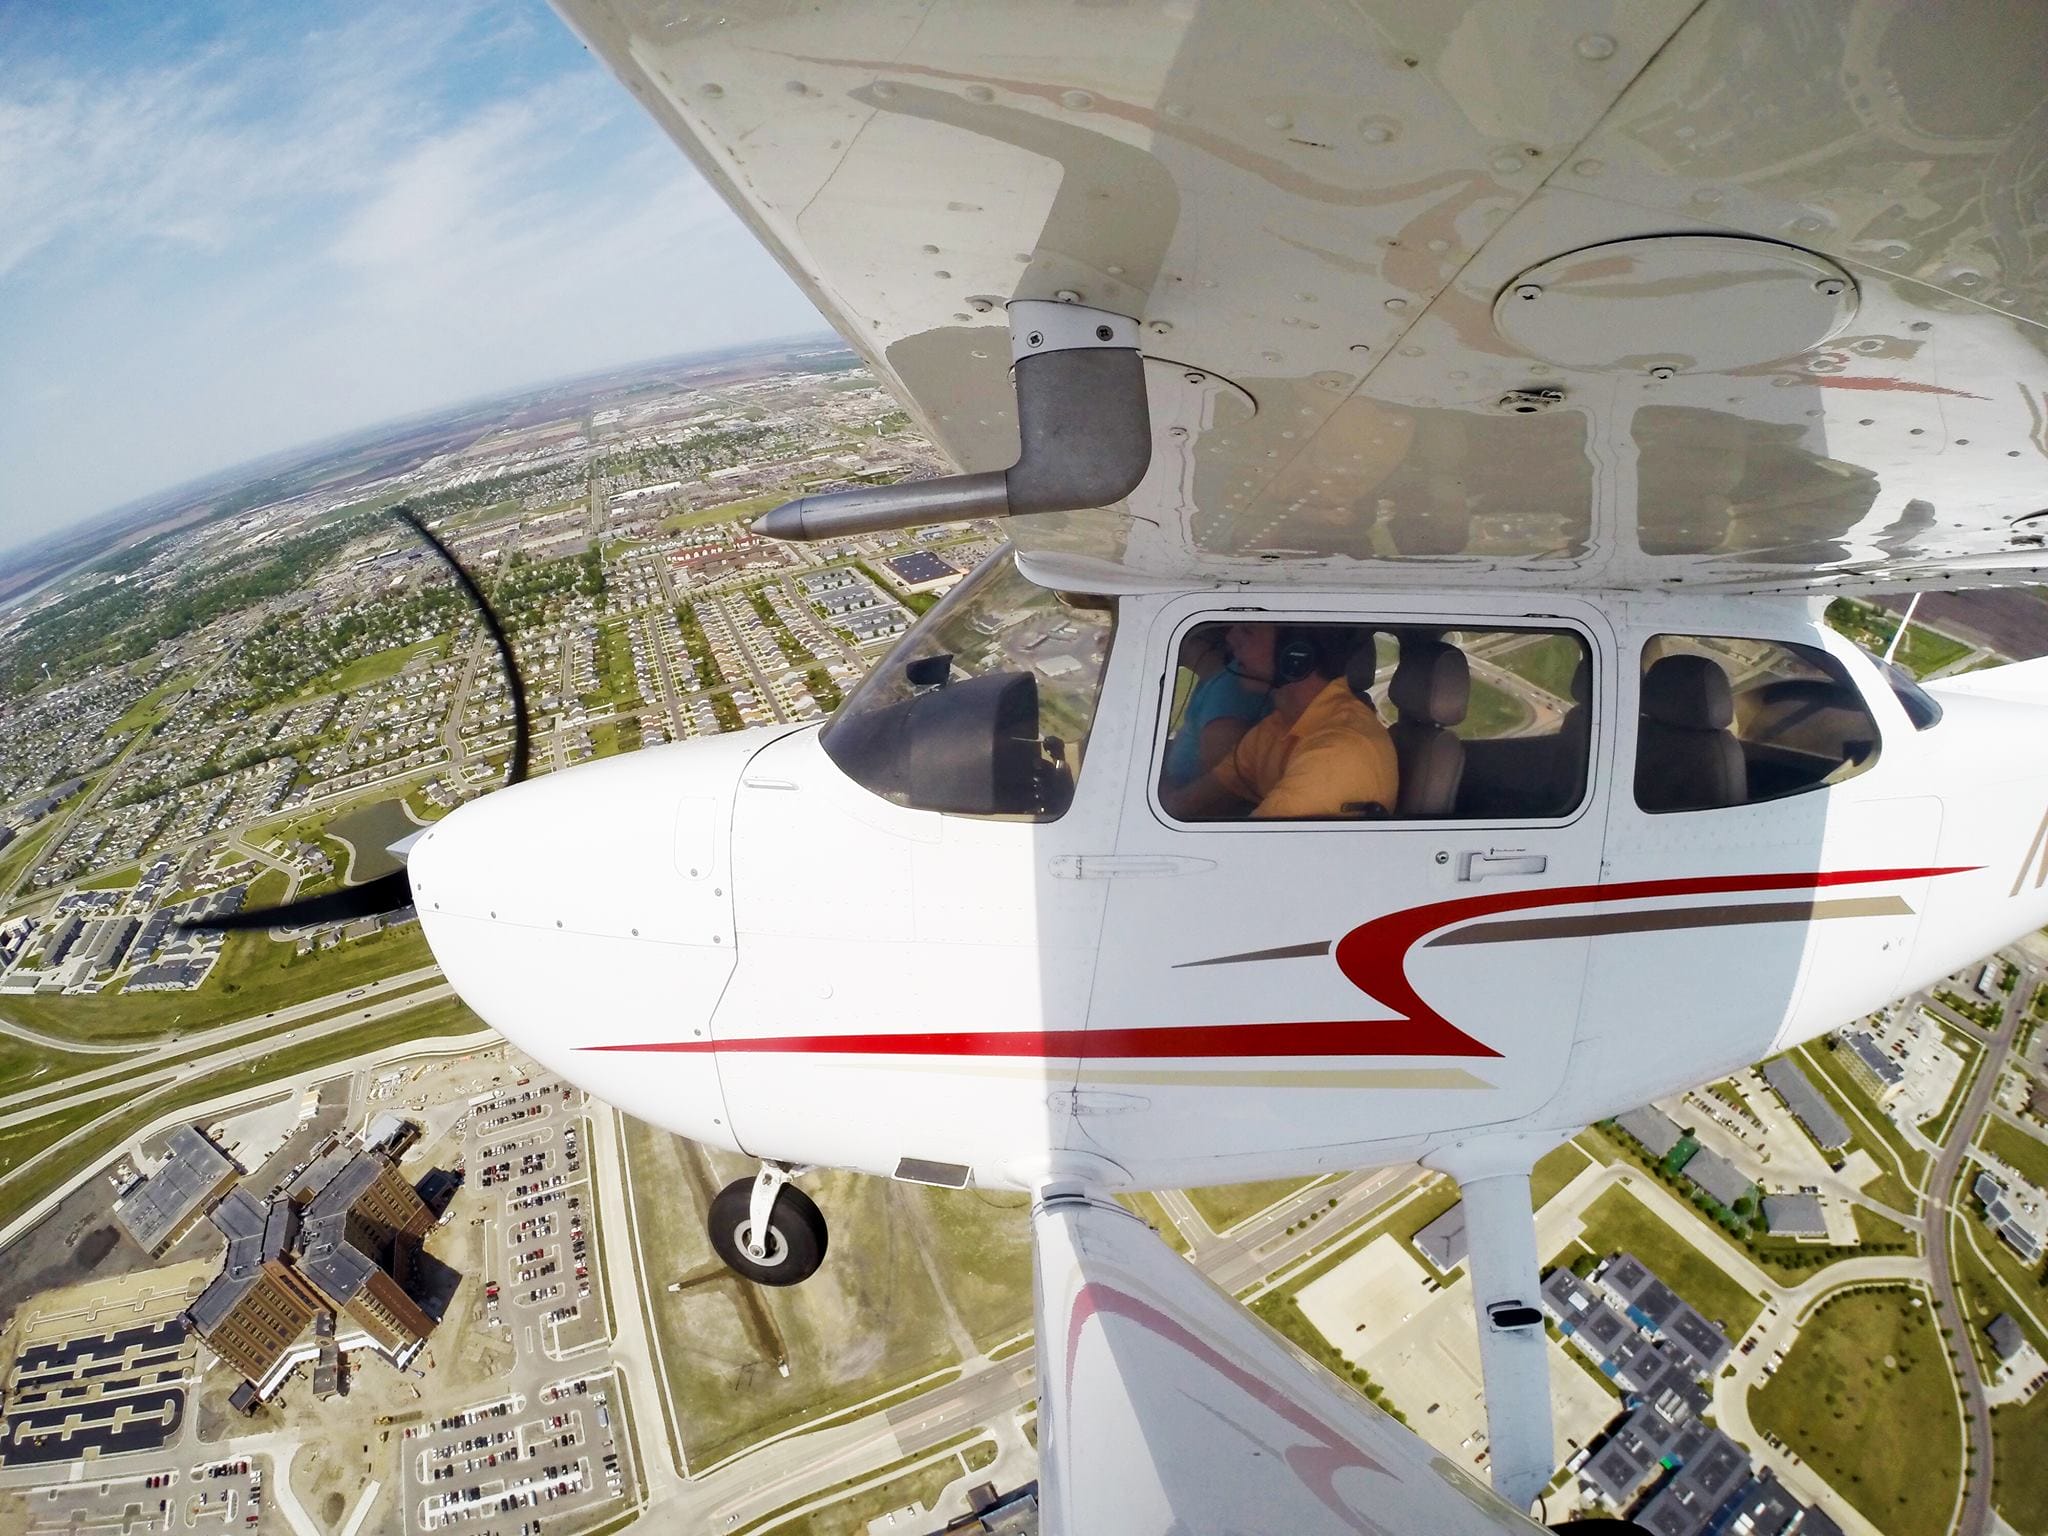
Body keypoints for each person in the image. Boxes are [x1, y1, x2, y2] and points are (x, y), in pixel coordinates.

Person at [1162, 623, 1398, 820]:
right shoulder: (1279, 727)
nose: (1230, 637)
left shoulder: (1337, 751)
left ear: (1297, 655)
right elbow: (1189, 804)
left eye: (1248, 631)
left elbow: (1250, 856)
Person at [1161, 627, 1271, 790]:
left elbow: (1218, 795)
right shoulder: (1216, 682)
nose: (1232, 636)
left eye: (1247, 630)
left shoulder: (1229, 690)